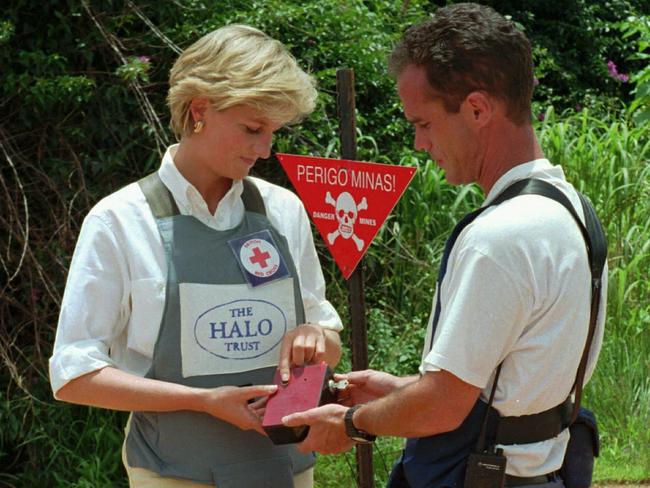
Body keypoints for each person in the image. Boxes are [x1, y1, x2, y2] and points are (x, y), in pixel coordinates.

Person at [282, 3, 607, 487]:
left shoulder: (499, 237)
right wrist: (401, 392)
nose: (417, 143)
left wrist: (349, 423)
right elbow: (509, 387)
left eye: (425, 123)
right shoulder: (570, 209)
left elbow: (442, 407)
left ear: (477, 109)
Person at [49, 24, 343, 488]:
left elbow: (327, 339)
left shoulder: (283, 211)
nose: (265, 150)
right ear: (199, 109)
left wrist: (316, 337)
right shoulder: (120, 221)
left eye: (273, 132)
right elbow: (74, 376)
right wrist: (203, 401)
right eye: (252, 128)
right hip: (172, 473)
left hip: (284, 471)